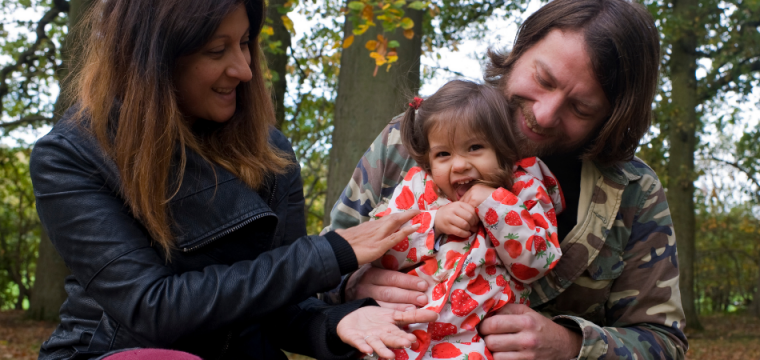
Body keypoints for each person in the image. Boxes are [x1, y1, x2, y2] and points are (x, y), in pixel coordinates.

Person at [30, 0, 436, 359]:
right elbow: (151, 307)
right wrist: (327, 254)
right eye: (216, 50)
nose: (243, 69)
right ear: (151, 58)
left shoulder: (270, 152)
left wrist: (337, 324)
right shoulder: (72, 156)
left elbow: (280, 306)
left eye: (244, 43)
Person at [323, 0, 689, 359]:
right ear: (519, 50)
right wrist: (351, 286)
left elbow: (664, 343)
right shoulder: (410, 139)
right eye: (543, 79)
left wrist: (570, 346)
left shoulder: (634, 192)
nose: (544, 115)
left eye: (581, 108)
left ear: (610, 117)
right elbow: (314, 274)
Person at [361, 80, 566, 359]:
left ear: (502, 147)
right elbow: (381, 251)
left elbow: (536, 263)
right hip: (400, 332)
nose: (459, 164)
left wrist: (494, 203)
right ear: (429, 161)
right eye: (443, 154)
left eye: (475, 147)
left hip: (473, 343)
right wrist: (433, 223)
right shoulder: (418, 188)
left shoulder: (526, 191)